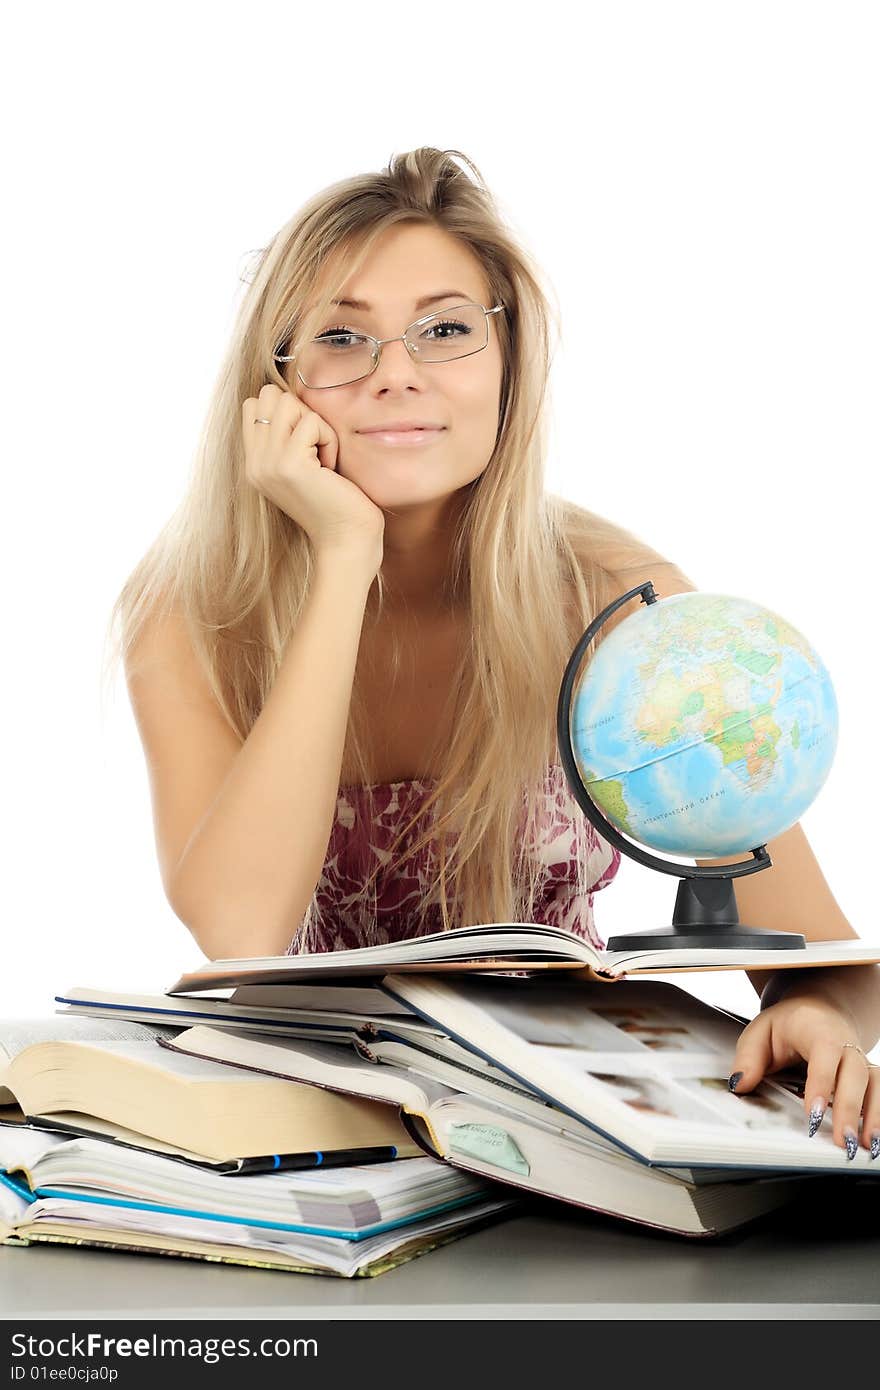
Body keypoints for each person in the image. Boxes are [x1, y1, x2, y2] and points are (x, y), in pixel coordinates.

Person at [105, 147, 879, 1159]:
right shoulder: (191, 616)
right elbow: (238, 927)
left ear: (507, 361)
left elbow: (826, 954)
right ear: (275, 386)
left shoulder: (613, 602)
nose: (396, 373)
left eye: (445, 329)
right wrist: (345, 557)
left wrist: (817, 1015)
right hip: (323, 1131)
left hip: (572, 1131)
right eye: (341, 336)